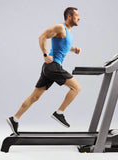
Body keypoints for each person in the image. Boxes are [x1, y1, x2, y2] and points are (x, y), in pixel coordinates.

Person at [6, 7, 81, 135]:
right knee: (76, 88)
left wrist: (73, 49)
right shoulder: (60, 27)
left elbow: (62, 47)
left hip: (49, 68)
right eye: (76, 16)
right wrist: (45, 54)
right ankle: (59, 113)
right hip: (53, 66)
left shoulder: (68, 33)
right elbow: (42, 37)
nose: (79, 18)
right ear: (69, 17)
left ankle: (14, 118)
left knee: (35, 96)